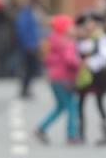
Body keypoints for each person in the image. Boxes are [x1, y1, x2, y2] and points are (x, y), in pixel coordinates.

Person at [34, 15, 81, 145]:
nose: (74, 28)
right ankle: (71, 135)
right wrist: (80, 64)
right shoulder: (67, 42)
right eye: (71, 26)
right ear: (64, 28)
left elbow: (47, 59)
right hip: (65, 78)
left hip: (53, 77)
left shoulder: (51, 40)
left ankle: (41, 128)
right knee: (72, 106)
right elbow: (70, 60)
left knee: (61, 106)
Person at [76, 11, 106, 145]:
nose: (88, 25)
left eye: (91, 22)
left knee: (99, 103)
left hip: (98, 75)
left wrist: (90, 63)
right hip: (83, 75)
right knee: (80, 103)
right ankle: (80, 133)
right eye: (86, 23)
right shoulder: (82, 39)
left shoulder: (102, 38)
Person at [15, 0, 42, 98]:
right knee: (28, 68)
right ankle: (24, 89)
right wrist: (29, 45)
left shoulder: (29, 13)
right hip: (28, 47)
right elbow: (23, 31)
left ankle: (26, 89)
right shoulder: (26, 14)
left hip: (31, 45)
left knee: (31, 68)